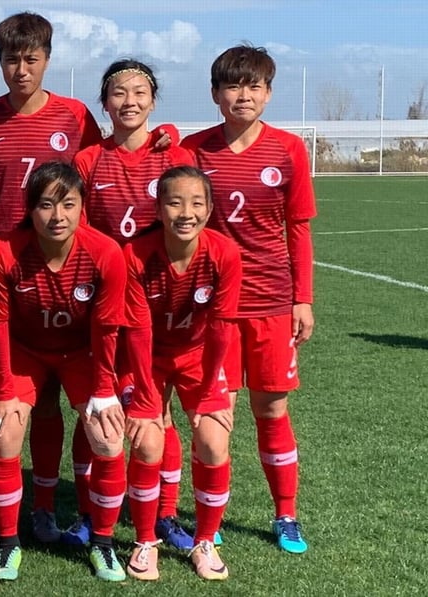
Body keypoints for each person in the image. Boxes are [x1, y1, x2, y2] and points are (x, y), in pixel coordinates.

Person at [0, 11, 104, 547]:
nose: (21, 69)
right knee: (9, 395)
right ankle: (2, 506)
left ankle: (65, 507)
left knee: (71, 396)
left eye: (31, 58)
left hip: (64, 270)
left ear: (47, 58)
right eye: (11, 59)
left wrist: (159, 140)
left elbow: (102, 161)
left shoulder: (74, 115)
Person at [182, 45, 316, 554]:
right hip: (211, 306)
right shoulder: (194, 150)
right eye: (233, 86)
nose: (244, 95)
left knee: (272, 409)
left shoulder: (287, 150)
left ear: (268, 93)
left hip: (271, 302)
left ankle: (286, 515)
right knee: (216, 418)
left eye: (254, 86)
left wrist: (302, 299)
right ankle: (208, 527)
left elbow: (297, 229)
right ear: (216, 94)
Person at [72, 59, 195, 550]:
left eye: (140, 92)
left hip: (157, 302)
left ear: (153, 101)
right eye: (118, 93)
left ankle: (164, 514)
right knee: (94, 412)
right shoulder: (86, 161)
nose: (130, 101)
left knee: (156, 410)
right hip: (99, 304)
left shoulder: (174, 154)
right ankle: (87, 512)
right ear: (104, 103)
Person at [0, 161, 127, 582]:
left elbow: (106, 327)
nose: (57, 216)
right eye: (46, 205)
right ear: (30, 209)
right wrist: (4, 388)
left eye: (68, 204)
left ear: (84, 206)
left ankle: (103, 543)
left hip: (80, 354)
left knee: (107, 436)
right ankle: (9, 543)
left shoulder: (105, 253)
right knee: (6, 431)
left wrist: (104, 389)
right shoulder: (3, 251)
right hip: (24, 353)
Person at [122, 165, 242, 580]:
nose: (185, 212)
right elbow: (137, 333)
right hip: (146, 359)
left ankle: (204, 541)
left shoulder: (224, 253)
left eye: (196, 203)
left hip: (198, 356)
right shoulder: (135, 255)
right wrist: (142, 398)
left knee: (213, 440)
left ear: (209, 209)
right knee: (148, 443)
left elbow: (223, 328)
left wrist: (211, 391)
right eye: (174, 202)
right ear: (158, 207)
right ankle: (144, 541)